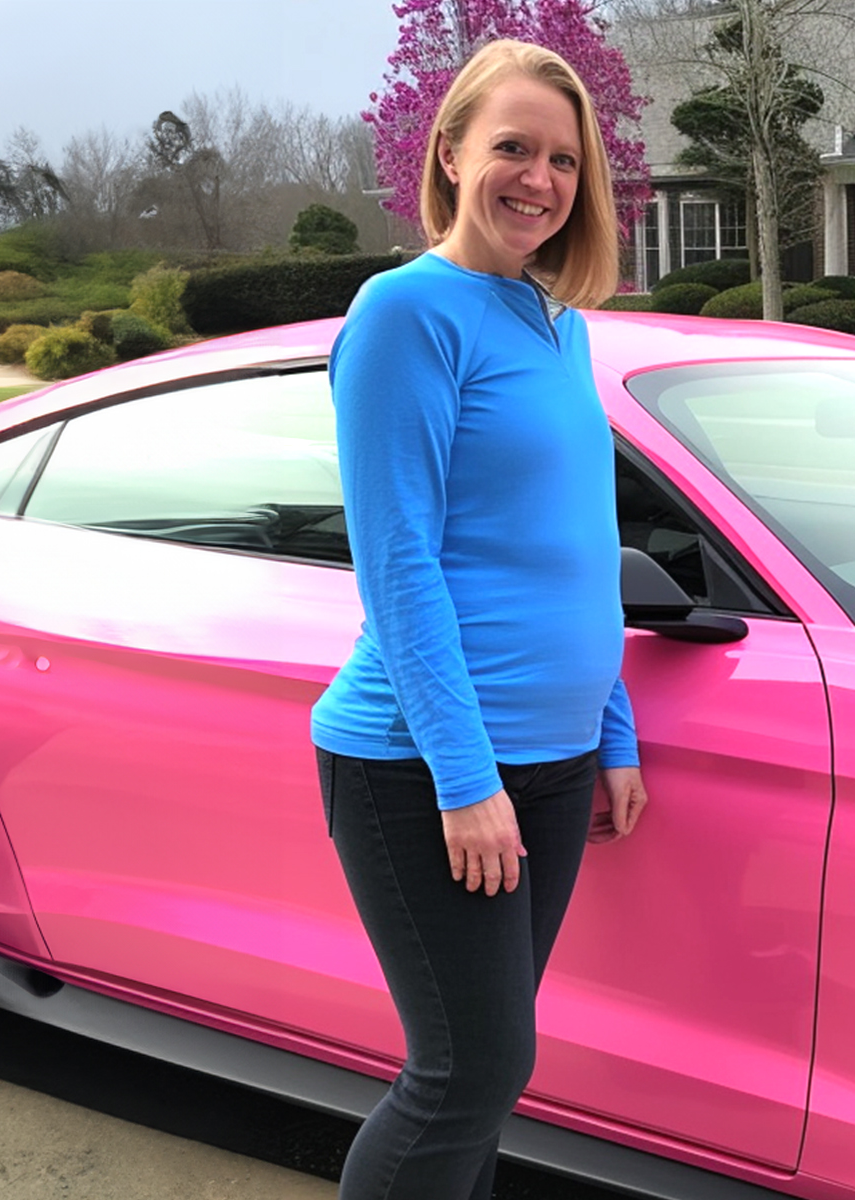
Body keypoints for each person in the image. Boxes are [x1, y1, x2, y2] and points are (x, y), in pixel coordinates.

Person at [310, 38, 649, 1200]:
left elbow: (579, 550)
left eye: (562, 157)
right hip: (429, 766)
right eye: (512, 147)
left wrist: (612, 731)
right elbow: (397, 564)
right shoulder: (407, 313)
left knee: (489, 1077)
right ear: (450, 153)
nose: (538, 178)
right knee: (468, 1067)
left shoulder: (560, 323)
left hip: (550, 766)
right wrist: (464, 779)